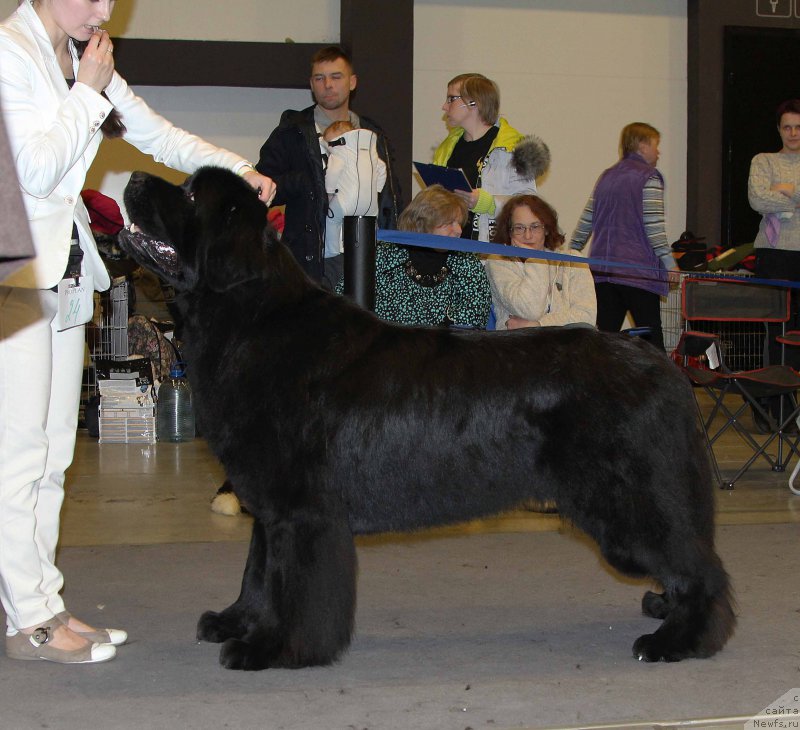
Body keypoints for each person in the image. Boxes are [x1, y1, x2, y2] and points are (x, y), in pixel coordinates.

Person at [0, 0, 275, 665]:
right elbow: (33, 171)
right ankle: (29, 617)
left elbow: (159, 135)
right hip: (15, 275)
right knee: (19, 457)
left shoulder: (81, 55)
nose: (103, 11)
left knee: (54, 455)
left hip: (64, 272)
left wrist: (236, 169)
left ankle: (41, 602)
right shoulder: (11, 53)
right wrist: (87, 93)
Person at [257, 45, 402, 290]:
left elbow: (391, 197)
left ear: (352, 82)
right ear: (311, 85)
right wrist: (308, 181)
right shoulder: (292, 131)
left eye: (336, 76)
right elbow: (262, 187)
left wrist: (393, 251)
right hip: (311, 258)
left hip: (368, 252)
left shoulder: (373, 133)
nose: (327, 85)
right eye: (319, 78)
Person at [569, 122, 677, 350]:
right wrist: (670, 264)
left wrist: (572, 252)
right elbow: (654, 227)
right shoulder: (649, 177)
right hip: (638, 274)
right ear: (642, 145)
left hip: (603, 274)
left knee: (603, 346)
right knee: (652, 346)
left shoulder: (606, 177)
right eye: (655, 145)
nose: (658, 152)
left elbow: (587, 219)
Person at [433, 73, 549, 242]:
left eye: (451, 99)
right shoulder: (447, 149)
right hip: (451, 248)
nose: (444, 106)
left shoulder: (510, 148)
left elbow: (529, 206)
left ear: (474, 102)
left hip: (491, 251)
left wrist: (488, 203)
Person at [361, 185, 492, 328]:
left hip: (448, 342)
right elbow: (350, 304)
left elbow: (475, 319)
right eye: (450, 223)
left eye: (459, 223)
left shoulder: (467, 262)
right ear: (421, 223)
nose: (459, 230)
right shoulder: (385, 254)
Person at [747, 99, 800, 431]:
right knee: (778, 334)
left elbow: (770, 198)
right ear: (778, 130)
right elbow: (756, 198)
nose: (793, 133)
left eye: (798, 127)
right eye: (787, 127)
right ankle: (780, 410)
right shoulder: (763, 160)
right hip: (775, 255)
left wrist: (784, 191)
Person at [486, 194, 596, 330]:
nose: (527, 236)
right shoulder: (499, 261)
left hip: (570, 341)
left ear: (547, 229)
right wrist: (535, 260)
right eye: (519, 228)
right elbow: (530, 310)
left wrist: (538, 324)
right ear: (509, 232)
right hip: (519, 342)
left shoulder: (574, 261)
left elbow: (587, 317)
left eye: (535, 226)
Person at [322, 120, 387, 262]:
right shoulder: (369, 154)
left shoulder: (339, 152)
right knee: (368, 227)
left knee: (332, 220)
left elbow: (333, 171)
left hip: (346, 200)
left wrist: (329, 192)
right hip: (370, 204)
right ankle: (369, 250)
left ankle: (331, 250)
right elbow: (382, 168)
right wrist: (377, 190)